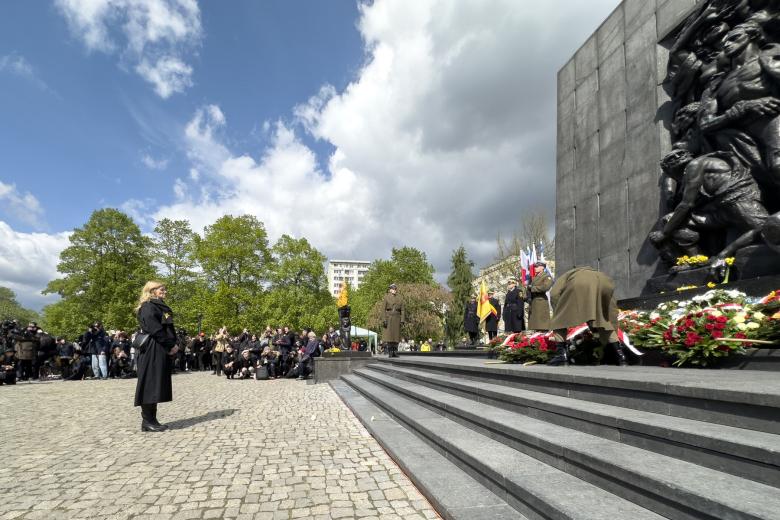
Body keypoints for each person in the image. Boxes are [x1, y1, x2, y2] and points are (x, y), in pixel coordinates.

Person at [548, 267, 626, 367]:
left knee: (559, 320)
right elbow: (611, 311)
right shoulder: (599, 274)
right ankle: (620, 356)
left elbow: (554, 293)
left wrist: (558, 312)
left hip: (578, 285)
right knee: (603, 321)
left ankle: (561, 356)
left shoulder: (567, 275)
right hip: (605, 282)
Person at [134, 281, 179, 432]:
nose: (165, 291)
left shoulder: (160, 306)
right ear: (152, 291)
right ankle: (147, 421)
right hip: (152, 347)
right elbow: (155, 329)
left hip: (160, 347)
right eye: (162, 289)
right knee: (150, 384)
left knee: (155, 384)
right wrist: (170, 345)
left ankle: (151, 420)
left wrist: (174, 343)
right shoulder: (148, 307)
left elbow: (168, 327)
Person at [527, 262, 554, 331]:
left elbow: (545, 287)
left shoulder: (546, 276)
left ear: (542, 267)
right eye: (535, 267)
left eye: (537, 266)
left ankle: (543, 338)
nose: (535, 268)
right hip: (533, 301)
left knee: (542, 324)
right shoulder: (534, 277)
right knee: (536, 325)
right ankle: (537, 339)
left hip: (540, 300)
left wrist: (532, 288)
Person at [382, 283, 404, 358]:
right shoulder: (386, 297)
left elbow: (403, 310)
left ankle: (395, 351)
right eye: (393, 289)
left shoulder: (400, 298)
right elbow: (383, 310)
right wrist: (384, 319)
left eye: (395, 289)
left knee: (396, 336)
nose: (395, 290)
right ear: (390, 290)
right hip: (389, 318)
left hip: (397, 318)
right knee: (389, 336)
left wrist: (402, 320)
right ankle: (390, 351)